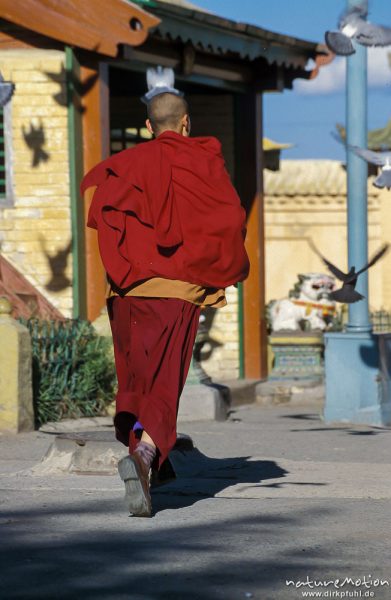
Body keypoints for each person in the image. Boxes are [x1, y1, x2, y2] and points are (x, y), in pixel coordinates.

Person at [81, 92, 249, 517]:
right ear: (187, 122)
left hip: (127, 292)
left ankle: (152, 461)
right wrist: (216, 270)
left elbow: (104, 218)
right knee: (163, 381)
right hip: (175, 291)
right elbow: (228, 218)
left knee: (138, 378)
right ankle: (146, 454)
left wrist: (121, 275)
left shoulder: (128, 165)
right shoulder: (203, 162)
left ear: (148, 125)